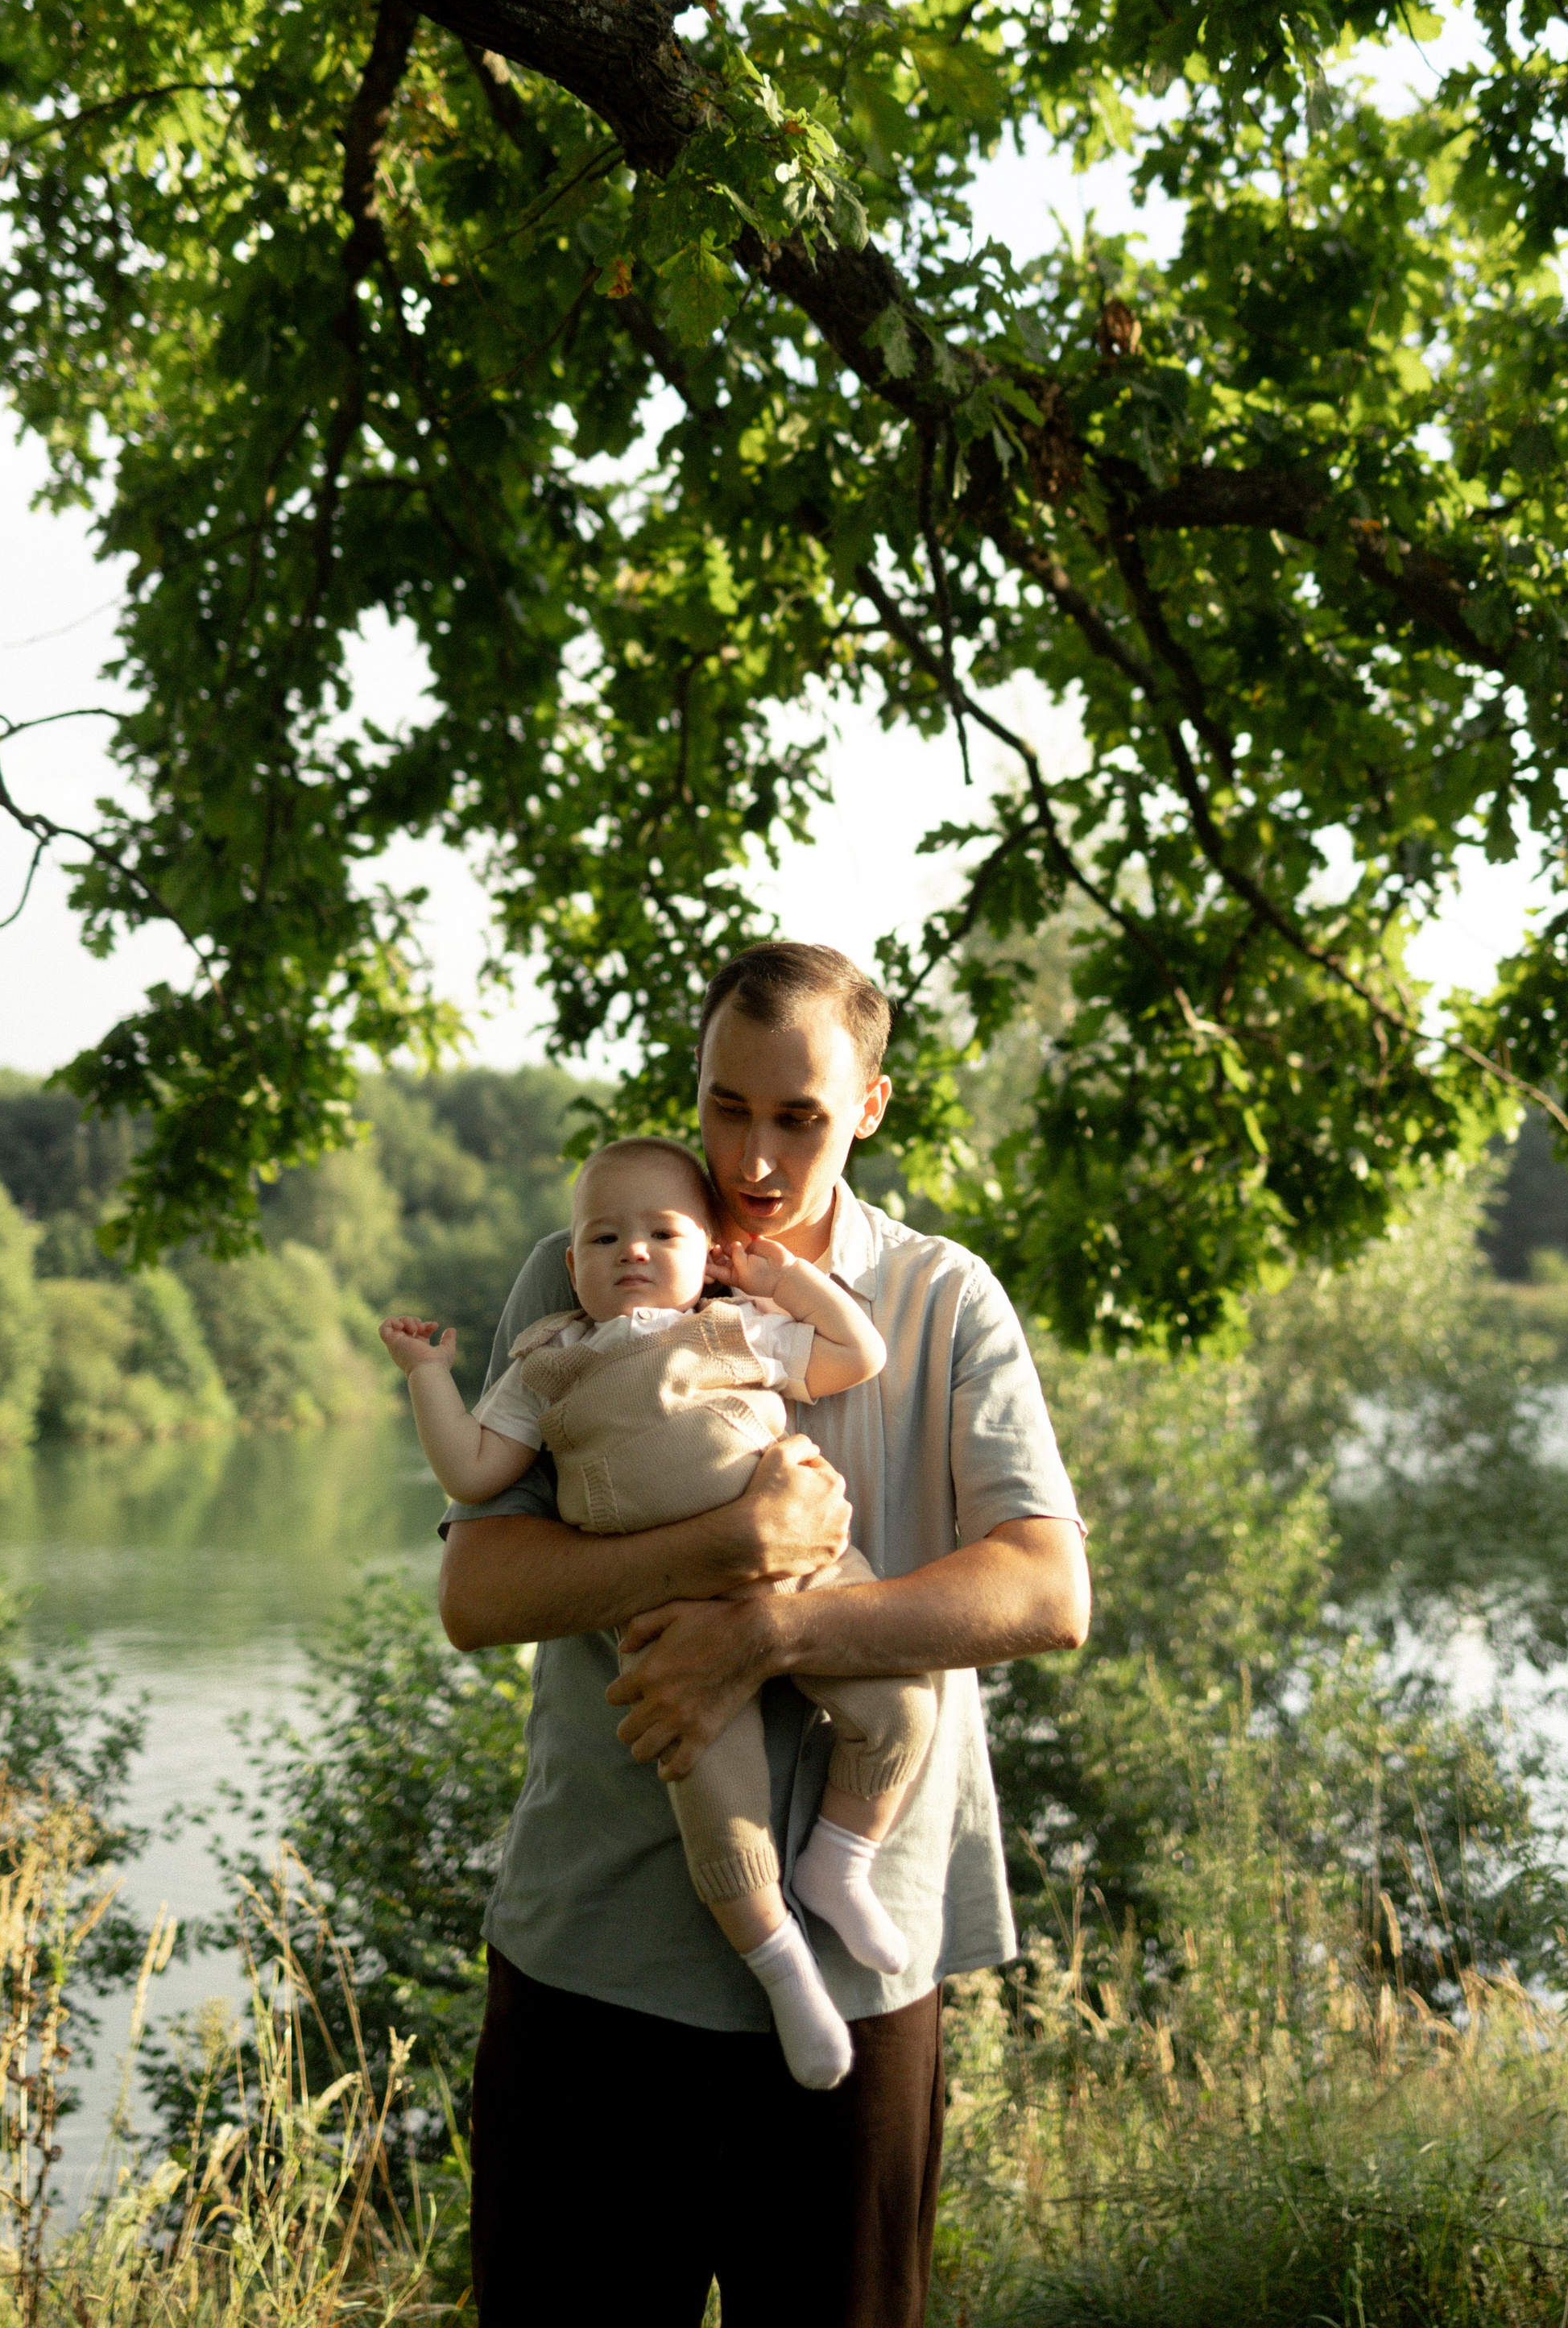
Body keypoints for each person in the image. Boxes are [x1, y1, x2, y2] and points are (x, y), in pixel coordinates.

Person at [440, 939, 1090, 2328]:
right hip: (596, 1960)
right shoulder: (585, 1279)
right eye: (727, 1107)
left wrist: (772, 1632)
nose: (753, 1156)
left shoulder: (939, 1299)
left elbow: (1045, 1593)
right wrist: (729, 1550)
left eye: (799, 1115)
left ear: (870, 1106)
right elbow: (477, 1597)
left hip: (860, 1983)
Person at [379, 1131, 938, 2088]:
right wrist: (429, 1379)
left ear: (708, 1253)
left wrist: (785, 1281)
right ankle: (784, 1969)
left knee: (900, 1710)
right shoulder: (549, 1365)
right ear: (571, 1265)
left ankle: (842, 1861)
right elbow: (472, 1470)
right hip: (669, 1624)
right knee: (719, 1812)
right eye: (602, 1239)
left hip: (805, 1578)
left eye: (662, 1233)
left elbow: (856, 1352)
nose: (630, 1251)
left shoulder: (733, 1326)